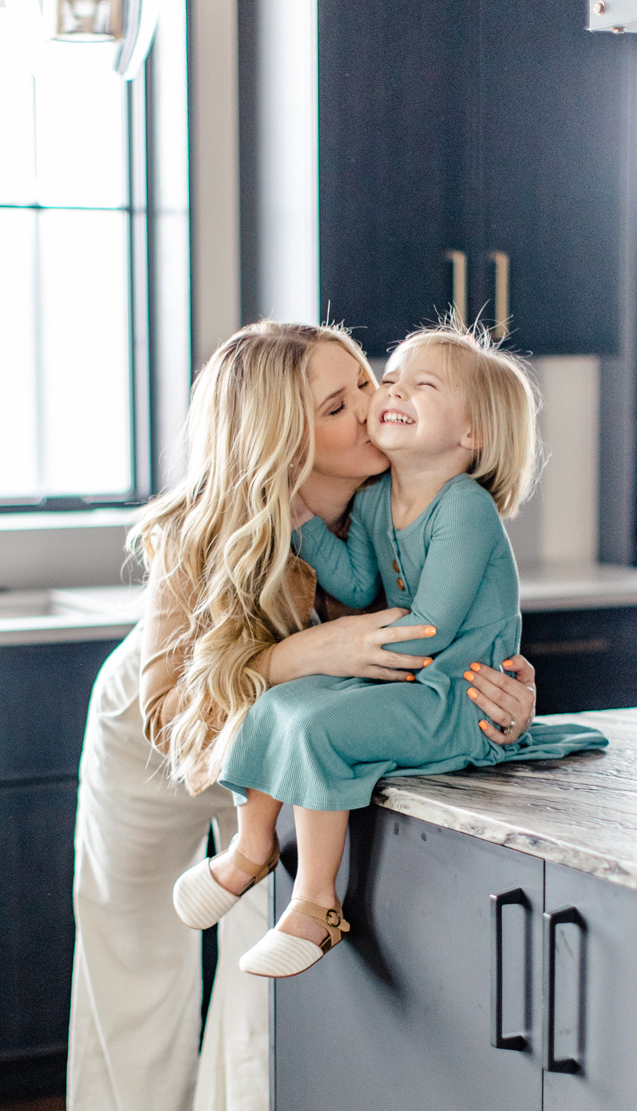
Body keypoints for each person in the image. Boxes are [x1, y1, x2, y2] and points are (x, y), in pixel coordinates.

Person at [57, 321, 539, 1111]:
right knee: (137, 959)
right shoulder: (205, 535)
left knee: (256, 977)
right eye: (337, 403)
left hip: (271, 753)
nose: (370, 405)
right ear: (280, 436)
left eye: (366, 381)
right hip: (158, 732)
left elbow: (450, 632)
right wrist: (295, 653)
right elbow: (190, 728)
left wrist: (501, 691)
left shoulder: (397, 506)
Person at [173, 324, 606, 978]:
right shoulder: (378, 500)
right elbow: (354, 583)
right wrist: (305, 526)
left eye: (414, 384)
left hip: (452, 699)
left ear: (471, 434)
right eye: (393, 376)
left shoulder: (463, 507)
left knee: (318, 725)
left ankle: (317, 905)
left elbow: (430, 629)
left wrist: (366, 647)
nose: (389, 391)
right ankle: (251, 848)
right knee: (280, 703)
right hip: (405, 686)